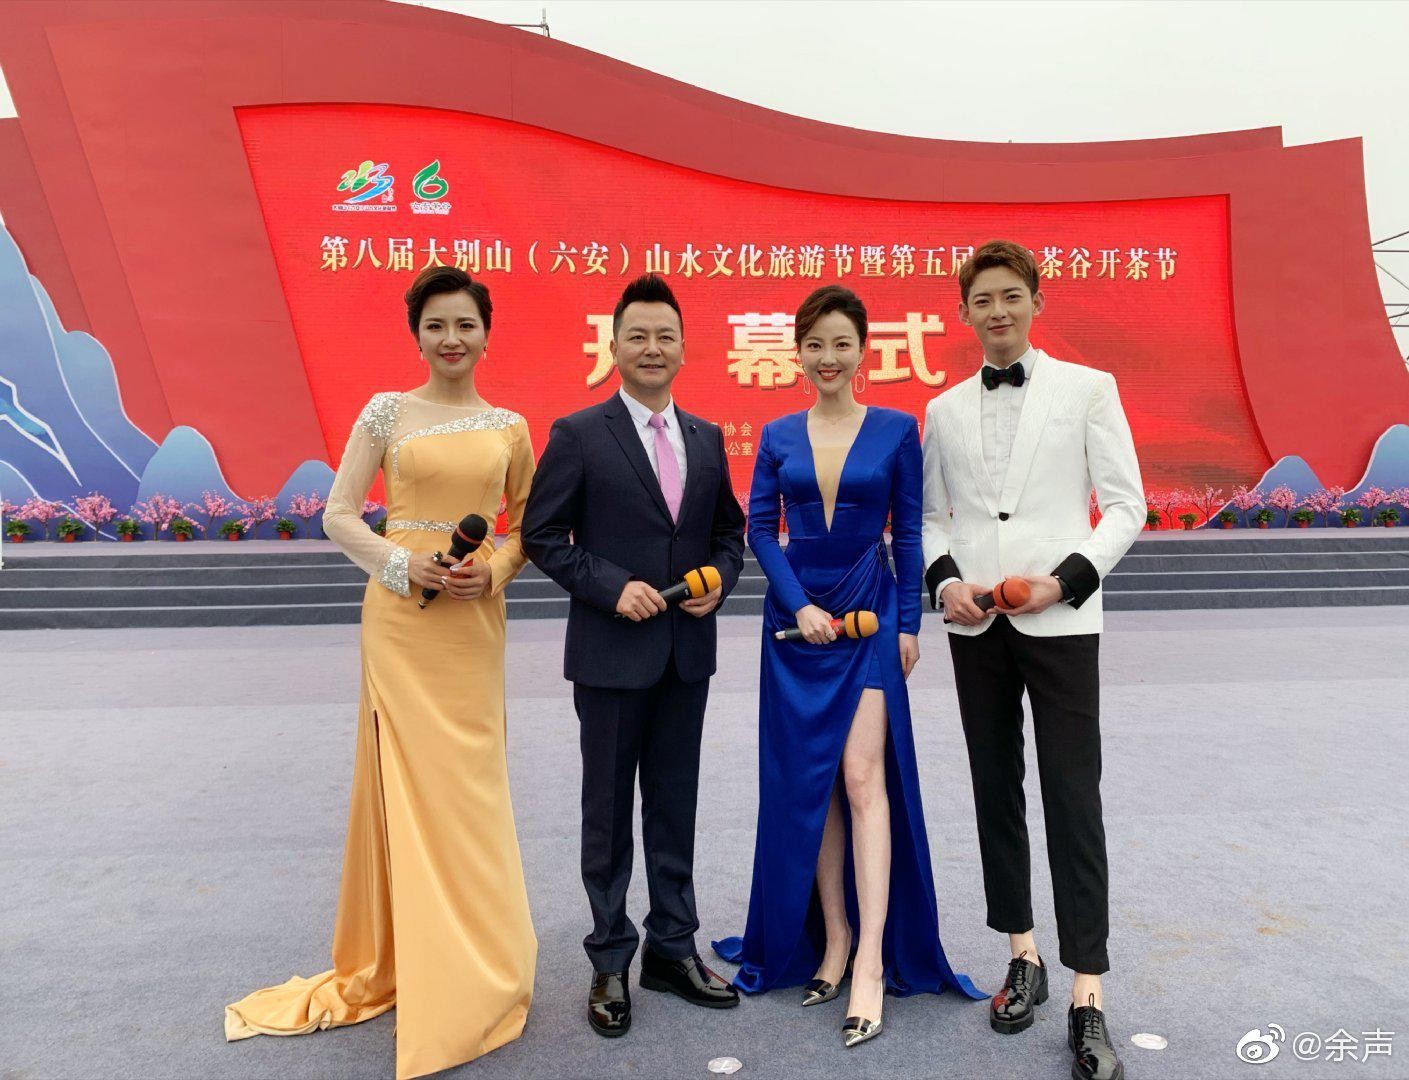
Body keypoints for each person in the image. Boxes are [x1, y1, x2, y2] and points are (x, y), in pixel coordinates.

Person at [225, 267, 538, 1080]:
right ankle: (411, 959)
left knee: (471, 787)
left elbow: (528, 527)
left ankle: (481, 964)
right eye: (436, 325)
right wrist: (403, 566)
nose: (451, 338)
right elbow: (338, 514)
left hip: (471, 622)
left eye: (465, 324)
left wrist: (492, 572)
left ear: (486, 333)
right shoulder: (385, 412)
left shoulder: (511, 427)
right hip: (401, 623)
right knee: (410, 786)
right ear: (416, 335)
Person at [713, 286, 984, 1049]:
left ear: (863, 349)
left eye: (840, 343)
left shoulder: (897, 430)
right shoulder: (776, 434)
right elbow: (760, 529)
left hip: (870, 612)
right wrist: (797, 604)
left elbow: (908, 533)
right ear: (796, 354)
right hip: (796, 625)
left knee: (862, 776)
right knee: (816, 781)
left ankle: (868, 960)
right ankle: (832, 937)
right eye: (814, 345)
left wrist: (908, 624)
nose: (827, 358)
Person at [921, 240, 1144, 1080]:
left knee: (1072, 797)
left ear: (1035, 301)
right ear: (963, 312)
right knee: (994, 791)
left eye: (1010, 295)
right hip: (976, 623)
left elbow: (1123, 505)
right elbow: (930, 518)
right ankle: (1022, 954)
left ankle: (1088, 989)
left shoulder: (1088, 388)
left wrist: (1065, 581)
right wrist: (945, 582)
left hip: (1061, 620)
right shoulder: (942, 409)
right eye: (981, 299)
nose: (997, 311)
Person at [522, 274, 747, 1038]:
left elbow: (728, 535)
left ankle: (672, 949)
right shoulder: (579, 433)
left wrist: (719, 581)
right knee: (608, 813)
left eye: (665, 336)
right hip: (610, 656)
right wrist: (611, 587)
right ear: (613, 346)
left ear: (683, 348)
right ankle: (611, 958)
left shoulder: (705, 438)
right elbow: (543, 536)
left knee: (674, 808)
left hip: (686, 655)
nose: (652, 348)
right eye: (638, 336)